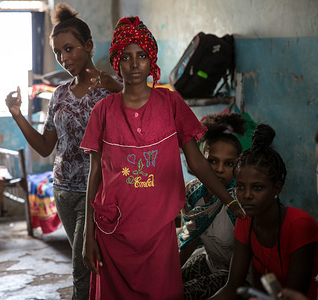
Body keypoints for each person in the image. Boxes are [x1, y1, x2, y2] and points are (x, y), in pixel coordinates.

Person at [80, 16, 244, 300]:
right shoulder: (103, 111)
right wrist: (87, 235)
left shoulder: (171, 104)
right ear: (116, 61)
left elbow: (196, 162)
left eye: (141, 55)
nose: (134, 64)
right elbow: (95, 175)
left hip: (158, 233)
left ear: (151, 59)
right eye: (126, 56)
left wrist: (229, 200)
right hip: (113, 231)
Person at [5, 3, 121, 299]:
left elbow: (133, 128)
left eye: (69, 49)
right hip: (63, 191)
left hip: (95, 193)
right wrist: (17, 115)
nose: (63, 59)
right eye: (58, 52)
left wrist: (119, 92)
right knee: (88, 264)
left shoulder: (110, 88)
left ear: (89, 46)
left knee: (82, 270)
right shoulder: (59, 93)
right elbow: (46, 147)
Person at [210, 124, 318, 300]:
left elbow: (294, 296)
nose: (246, 195)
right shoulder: (245, 221)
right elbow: (232, 287)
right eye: (240, 187)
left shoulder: (299, 225)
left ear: (276, 189)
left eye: (257, 188)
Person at [179, 113, 248, 299]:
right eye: (213, 161)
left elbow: (243, 266)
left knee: (180, 294)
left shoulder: (240, 202)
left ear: (238, 164)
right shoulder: (194, 194)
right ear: (201, 159)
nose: (219, 169)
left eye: (229, 164)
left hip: (235, 277)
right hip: (211, 263)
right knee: (163, 283)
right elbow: (191, 237)